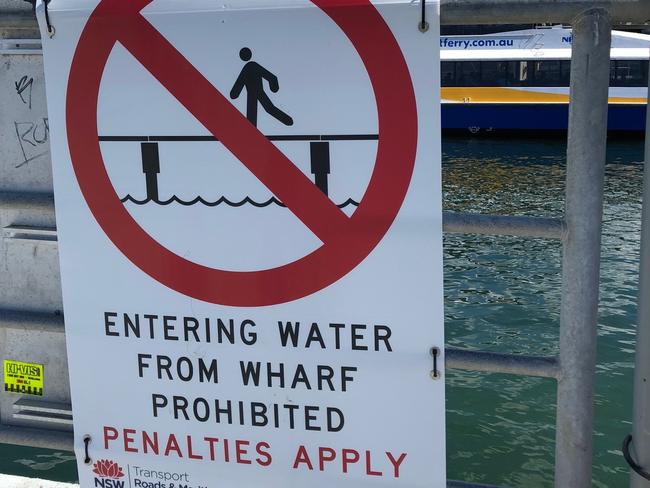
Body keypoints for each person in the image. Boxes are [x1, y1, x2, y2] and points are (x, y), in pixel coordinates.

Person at [230, 47, 294, 127]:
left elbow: (272, 77)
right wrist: (274, 86)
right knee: (268, 108)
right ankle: (286, 120)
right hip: (255, 93)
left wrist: (234, 93)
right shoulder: (251, 66)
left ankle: (287, 120)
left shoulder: (250, 66)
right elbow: (272, 78)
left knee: (266, 109)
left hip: (257, 93)